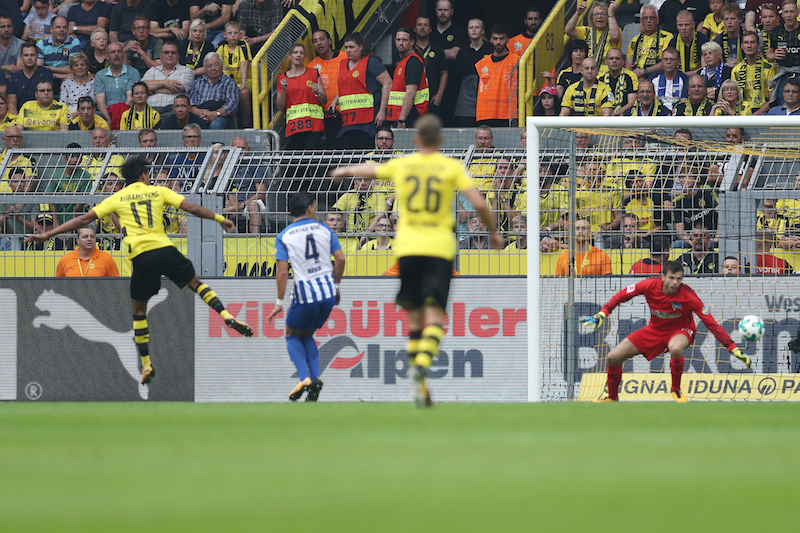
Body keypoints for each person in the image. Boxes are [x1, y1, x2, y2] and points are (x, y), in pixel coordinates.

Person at [27, 155, 253, 385]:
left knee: (138, 312)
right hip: (165, 249)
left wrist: (48, 234)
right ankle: (226, 315)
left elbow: (82, 220)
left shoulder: (117, 197)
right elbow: (192, 207)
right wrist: (219, 219)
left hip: (142, 258)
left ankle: (146, 363)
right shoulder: (158, 191)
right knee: (196, 284)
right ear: (144, 175)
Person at [333, 114, 501, 407]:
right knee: (435, 315)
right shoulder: (450, 167)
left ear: (415, 139)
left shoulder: (404, 164)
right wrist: (495, 233)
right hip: (439, 249)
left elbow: (372, 169)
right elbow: (478, 202)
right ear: (440, 140)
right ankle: (423, 363)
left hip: (408, 248)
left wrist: (346, 170)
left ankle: (418, 383)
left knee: (413, 316)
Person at [583, 260, 749, 402]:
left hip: (682, 330)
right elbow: (621, 295)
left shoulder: (689, 297)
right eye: (671, 278)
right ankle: (612, 398)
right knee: (612, 357)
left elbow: (711, 324)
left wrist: (732, 347)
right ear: (662, 277)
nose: (675, 282)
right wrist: (603, 313)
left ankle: (676, 390)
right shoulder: (649, 285)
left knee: (675, 348)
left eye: (679, 279)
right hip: (654, 330)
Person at [263, 192, 344, 402]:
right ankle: (315, 379)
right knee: (307, 335)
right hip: (328, 293)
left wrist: (279, 302)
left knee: (292, 335)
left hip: (305, 293)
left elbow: (282, 272)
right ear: (309, 208)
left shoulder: (285, 235)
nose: (315, 210)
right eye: (315, 207)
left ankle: (305, 379)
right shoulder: (325, 230)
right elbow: (340, 259)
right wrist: (335, 285)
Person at [333, 32, 391, 149]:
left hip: (368, 121)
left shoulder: (371, 61)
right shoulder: (343, 64)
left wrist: (382, 111)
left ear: (360, 47)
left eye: (352, 47)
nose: (348, 50)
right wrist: (334, 102)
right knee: (350, 156)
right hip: (348, 122)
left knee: (366, 154)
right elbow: (346, 87)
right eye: (346, 47)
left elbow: (388, 83)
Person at [276, 42, 325, 149]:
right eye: (295, 52)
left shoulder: (313, 73)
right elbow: (280, 107)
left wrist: (318, 92)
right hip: (294, 125)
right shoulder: (282, 78)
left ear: (304, 57)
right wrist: (283, 90)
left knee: (311, 154)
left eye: (301, 53)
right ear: (289, 56)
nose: (298, 55)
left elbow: (324, 100)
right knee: (299, 157)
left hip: (314, 123)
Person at [308, 29, 345, 148]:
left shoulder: (345, 57)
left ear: (329, 41)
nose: (319, 43)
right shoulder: (311, 67)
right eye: (315, 41)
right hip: (329, 116)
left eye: (322, 39)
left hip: (348, 111)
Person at [475, 24, 519, 126]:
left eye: (501, 39)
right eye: (495, 39)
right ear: (490, 40)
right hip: (485, 114)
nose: (498, 42)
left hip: (509, 114)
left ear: (507, 40)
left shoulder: (517, 61)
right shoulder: (481, 64)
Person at [453, 17, 492, 127]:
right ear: (468, 31)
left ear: (482, 31)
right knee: (465, 122)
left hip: (486, 89)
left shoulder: (490, 49)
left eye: (477, 27)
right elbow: (456, 75)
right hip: (466, 90)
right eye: (471, 27)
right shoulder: (463, 51)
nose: (474, 30)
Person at [387, 27, 428, 127]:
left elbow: (410, 93)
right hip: (399, 115)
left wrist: (402, 119)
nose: (400, 43)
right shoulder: (402, 61)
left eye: (404, 40)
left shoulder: (412, 61)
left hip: (410, 117)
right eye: (398, 40)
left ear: (412, 42)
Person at [94, 41, 140, 129]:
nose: (116, 54)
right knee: (96, 115)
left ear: (123, 54)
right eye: (113, 52)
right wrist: (109, 118)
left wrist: (119, 117)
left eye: (119, 51)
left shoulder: (133, 72)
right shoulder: (100, 75)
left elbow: (130, 100)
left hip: (127, 112)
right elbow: (100, 103)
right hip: (107, 113)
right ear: (107, 56)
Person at [141, 39, 194, 114]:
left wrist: (152, 90)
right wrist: (164, 83)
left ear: (178, 55)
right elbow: (142, 88)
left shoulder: (186, 70)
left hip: (173, 110)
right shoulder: (152, 70)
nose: (170, 55)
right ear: (160, 56)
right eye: (166, 52)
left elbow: (178, 88)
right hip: (150, 109)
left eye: (173, 52)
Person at [188, 51, 238, 129]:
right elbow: (191, 102)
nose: (213, 69)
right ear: (205, 68)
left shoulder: (229, 83)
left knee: (216, 125)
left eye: (216, 65)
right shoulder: (198, 82)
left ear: (222, 66)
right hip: (200, 115)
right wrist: (199, 112)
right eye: (209, 66)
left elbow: (233, 104)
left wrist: (216, 114)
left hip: (221, 117)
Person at [216, 20, 251, 127]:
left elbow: (244, 64)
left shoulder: (243, 45)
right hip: (226, 83)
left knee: (244, 93)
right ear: (225, 35)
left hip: (244, 81)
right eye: (230, 33)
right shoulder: (221, 46)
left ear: (240, 34)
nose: (232, 35)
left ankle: (246, 124)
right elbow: (217, 63)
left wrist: (243, 85)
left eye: (235, 33)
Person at [565, 1, 621, 66]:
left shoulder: (614, 30)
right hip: (588, 69)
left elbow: (615, 37)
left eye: (603, 14)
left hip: (608, 70)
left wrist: (611, 13)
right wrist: (578, 13)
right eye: (596, 14)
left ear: (608, 17)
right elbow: (568, 30)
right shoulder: (586, 30)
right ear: (591, 17)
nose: (599, 16)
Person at [766, 0, 800, 106]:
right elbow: (768, 55)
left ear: (798, 13)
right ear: (782, 15)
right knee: (783, 108)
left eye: (792, 11)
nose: (789, 15)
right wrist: (774, 55)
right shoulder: (777, 30)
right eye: (786, 12)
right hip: (783, 76)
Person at [732, 30, 775, 114]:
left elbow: (772, 100)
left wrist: (754, 116)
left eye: (752, 42)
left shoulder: (769, 67)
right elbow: (734, 99)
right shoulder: (736, 70)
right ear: (742, 46)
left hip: (762, 112)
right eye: (746, 42)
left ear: (758, 45)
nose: (749, 46)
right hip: (741, 112)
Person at [7, 41, 55, 114]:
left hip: (43, 115)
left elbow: (48, 100)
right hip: (21, 117)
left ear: (37, 56)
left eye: (32, 55)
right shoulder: (14, 77)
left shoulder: (46, 73)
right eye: (26, 55)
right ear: (21, 57)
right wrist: (17, 120)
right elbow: (12, 105)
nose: (29, 58)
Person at [626, 5, 673, 79]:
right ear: (641, 21)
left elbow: (667, 62)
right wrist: (633, 77)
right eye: (645, 18)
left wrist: (644, 71)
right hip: (636, 77)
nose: (648, 21)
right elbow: (628, 64)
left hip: (659, 76)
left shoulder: (667, 37)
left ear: (657, 20)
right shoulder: (634, 40)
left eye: (652, 18)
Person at [414, 16, 447, 117]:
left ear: (430, 29)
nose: (422, 28)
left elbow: (444, 73)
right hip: (413, 97)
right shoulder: (410, 49)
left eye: (425, 25)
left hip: (433, 97)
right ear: (414, 29)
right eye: (419, 25)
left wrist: (439, 94)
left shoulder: (438, 49)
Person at [36, 15, 82, 82]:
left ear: (68, 29)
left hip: (68, 79)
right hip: (46, 80)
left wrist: (47, 68)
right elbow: (38, 70)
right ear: (51, 29)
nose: (61, 30)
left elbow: (73, 68)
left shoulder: (74, 42)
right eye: (58, 27)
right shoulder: (41, 44)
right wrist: (59, 76)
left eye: (64, 27)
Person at [647, 47, 689, 111]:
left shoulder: (685, 79)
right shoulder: (652, 78)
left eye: (672, 59)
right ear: (662, 61)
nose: (668, 62)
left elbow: (684, 103)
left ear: (678, 62)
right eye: (666, 59)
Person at [668, 9, 708, 75]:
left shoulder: (702, 39)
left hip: (698, 77)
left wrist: (684, 75)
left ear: (693, 25)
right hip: (677, 77)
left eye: (687, 25)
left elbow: (705, 68)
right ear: (676, 26)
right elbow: (669, 65)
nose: (683, 28)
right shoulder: (673, 41)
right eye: (680, 25)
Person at [601, 47, 637, 115]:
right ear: (606, 62)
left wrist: (616, 114)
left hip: (624, 115)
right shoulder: (600, 77)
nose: (614, 61)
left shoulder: (631, 76)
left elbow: (632, 102)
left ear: (623, 62)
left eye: (617, 58)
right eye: (611, 58)